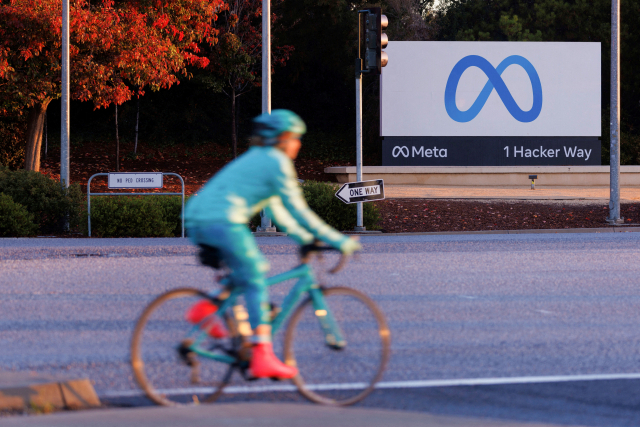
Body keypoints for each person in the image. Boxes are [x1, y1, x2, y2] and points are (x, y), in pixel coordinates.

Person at [183, 109, 361, 379]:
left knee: (244, 272)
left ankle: (207, 309)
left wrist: (303, 238)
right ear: (282, 138)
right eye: (296, 138)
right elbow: (299, 210)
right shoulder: (276, 162)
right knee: (255, 273)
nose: (299, 144)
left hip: (198, 219)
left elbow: (278, 210)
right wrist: (337, 240)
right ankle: (261, 356)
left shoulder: (257, 158)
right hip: (222, 221)